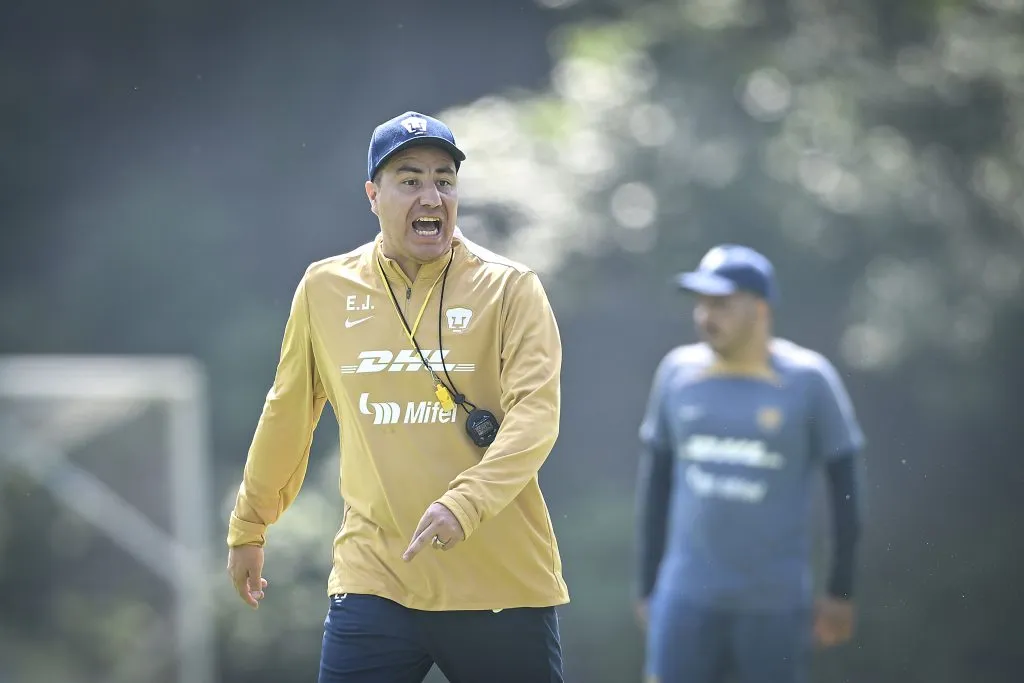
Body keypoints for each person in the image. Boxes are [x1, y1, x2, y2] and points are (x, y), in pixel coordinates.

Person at [225, 110, 569, 683]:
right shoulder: (324, 288)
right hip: (374, 580)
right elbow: (287, 412)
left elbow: (536, 417)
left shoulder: (511, 288)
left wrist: (465, 503)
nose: (430, 195)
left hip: (500, 585)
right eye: (409, 180)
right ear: (373, 195)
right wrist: (249, 525)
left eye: (444, 179)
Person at [634, 244, 866, 683]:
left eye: (720, 303)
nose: (705, 316)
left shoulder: (809, 381)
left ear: (760, 310)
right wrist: (648, 586)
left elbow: (846, 490)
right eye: (701, 303)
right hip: (684, 600)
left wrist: (840, 590)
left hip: (774, 606)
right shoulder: (675, 374)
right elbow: (656, 485)